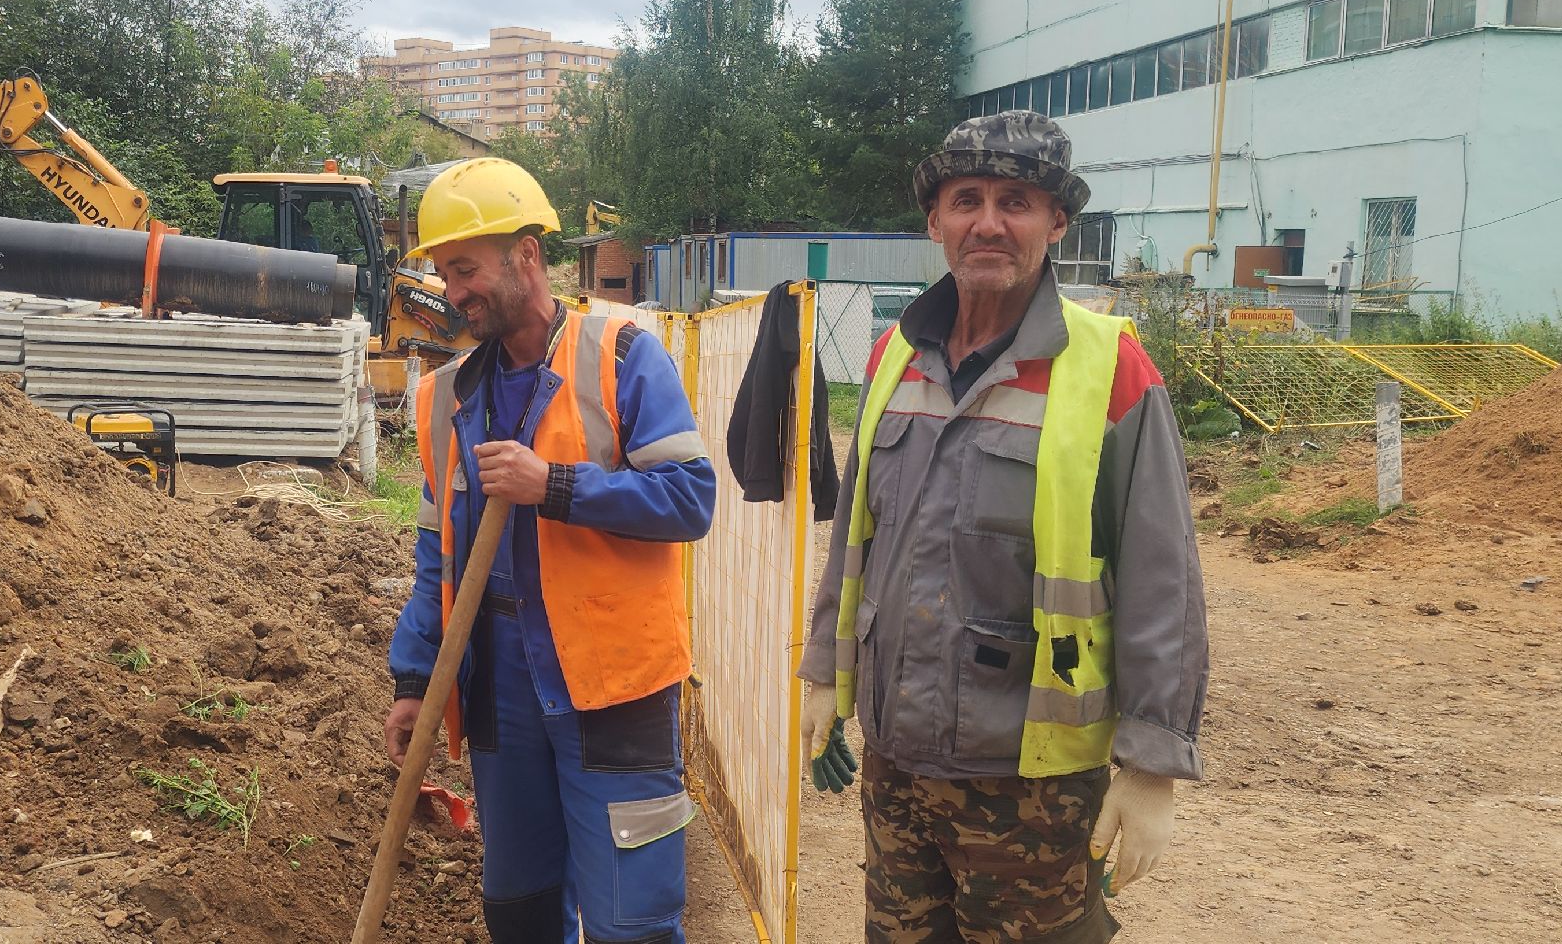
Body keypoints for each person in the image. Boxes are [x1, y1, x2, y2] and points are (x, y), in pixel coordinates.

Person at [796, 111, 1209, 943]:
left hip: (1033, 779)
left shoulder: (1110, 369)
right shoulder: (893, 359)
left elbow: (1162, 579)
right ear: (934, 221)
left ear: (1056, 223)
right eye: (966, 200)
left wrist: (1152, 763)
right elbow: (856, 541)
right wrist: (822, 674)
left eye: (1015, 201)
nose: (987, 223)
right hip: (897, 755)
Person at [383, 157, 716, 943]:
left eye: (466, 269)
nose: (453, 291)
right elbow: (438, 559)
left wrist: (556, 487)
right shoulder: (445, 399)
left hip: (613, 686)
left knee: (630, 919)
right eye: (442, 272)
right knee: (521, 910)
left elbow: (689, 499)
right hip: (499, 686)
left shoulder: (621, 354)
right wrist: (413, 675)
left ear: (526, 255)